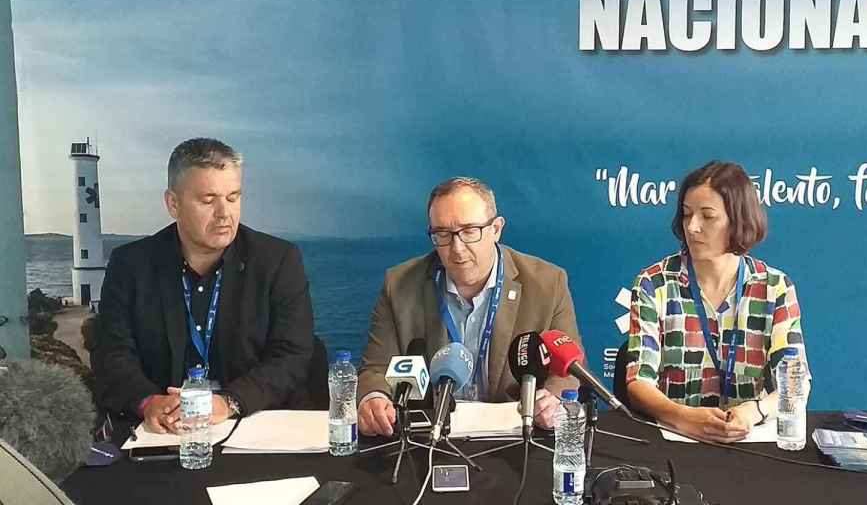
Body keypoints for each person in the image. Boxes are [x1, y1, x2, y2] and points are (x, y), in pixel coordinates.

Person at [95, 138, 314, 432]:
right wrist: (148, 402)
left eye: (233, 197)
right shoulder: (130, 265)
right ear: (173, 204)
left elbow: (293, 355)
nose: (225, 213)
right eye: (208, 201)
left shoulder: (279, 260)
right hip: (163, 432)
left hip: (253, 425)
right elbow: (111, 354)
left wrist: (229, 402)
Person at [357, 177, 583, 436]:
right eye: (442, 234)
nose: (457, 248)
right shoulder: (398, 285)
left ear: (496, 229)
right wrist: (374, 398)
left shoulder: (547, 283)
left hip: (512, 433)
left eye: (469, 232)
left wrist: (552, 399)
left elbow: (567, 370)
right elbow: (375, 368)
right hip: (429, 434)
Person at [625, 161, 809, 443]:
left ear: (738, 221)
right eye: (686, 215)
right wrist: (683, 416)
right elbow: (638, 380)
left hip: (751, 445)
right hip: (676, 442)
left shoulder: (774, 287)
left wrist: (753, 411)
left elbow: (796, 382)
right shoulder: (655, 283)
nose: (693, 227)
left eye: (707, 216)